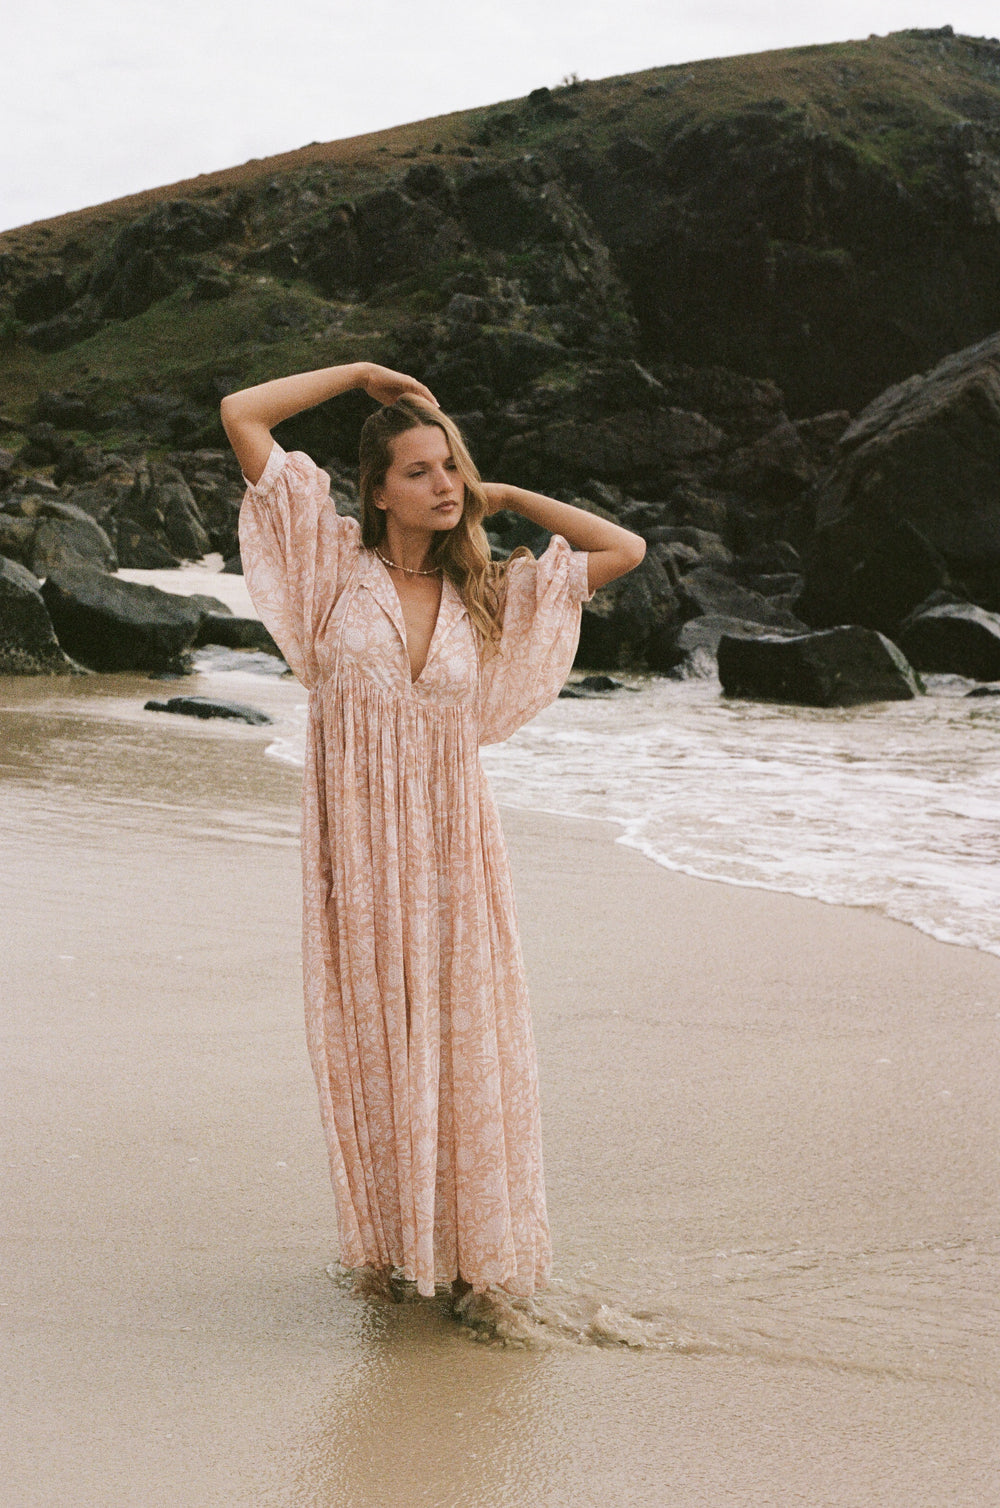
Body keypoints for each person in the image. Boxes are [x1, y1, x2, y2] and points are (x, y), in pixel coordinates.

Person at [221, 361, 645, 1308]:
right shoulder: (326, 567)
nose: (443, 484)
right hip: (359, 854)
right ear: (376, 490)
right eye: (418, 470)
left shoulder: (488, 592)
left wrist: (510, 493)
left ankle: (474, 1264)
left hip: (455, 852)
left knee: (463, 1046)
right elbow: (240, 414)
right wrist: (362, 376)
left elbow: (624, 550)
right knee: (374, 1045)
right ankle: (395, 1255)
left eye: (450, 467)